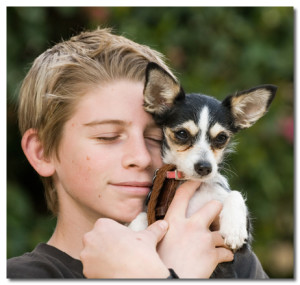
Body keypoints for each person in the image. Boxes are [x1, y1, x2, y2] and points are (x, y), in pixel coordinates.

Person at [7, 27, 268, 279]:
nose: (141, 157)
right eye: (107, 136)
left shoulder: (232, 259)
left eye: (155, 138)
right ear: (42, 153)